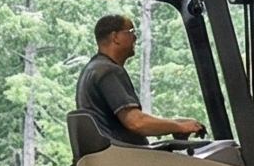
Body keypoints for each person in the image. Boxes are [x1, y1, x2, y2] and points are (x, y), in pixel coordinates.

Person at [76, 12, 203, 147]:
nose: (135, 37)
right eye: (131, 31)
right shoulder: (110, 71)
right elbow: (136, 123)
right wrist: (180, 127)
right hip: (126, 158)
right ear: (115, 37)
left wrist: (173, 124)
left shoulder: (92, 69)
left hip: (113, 156)